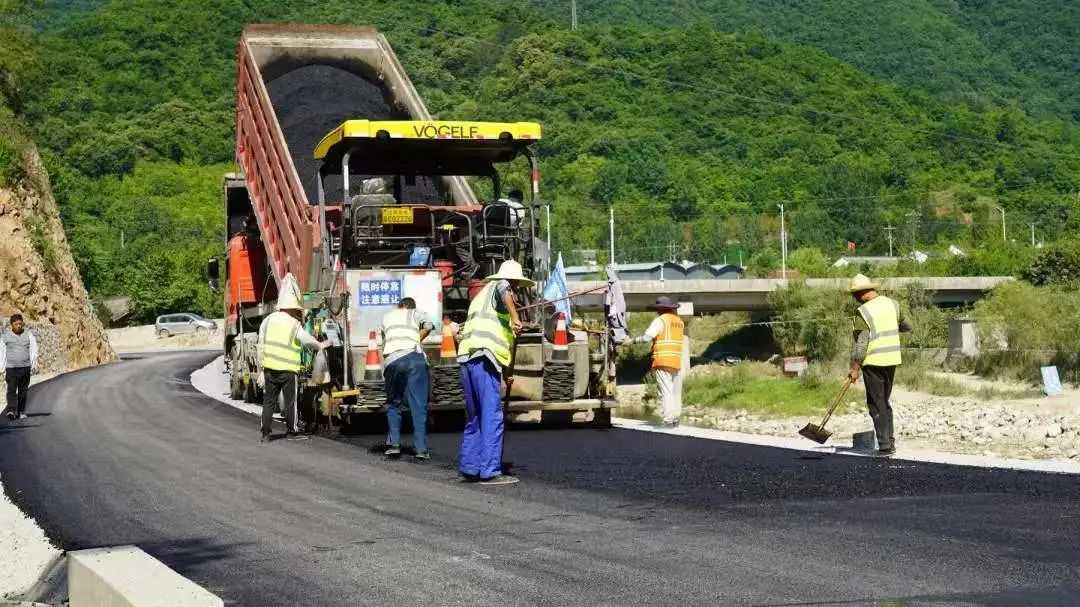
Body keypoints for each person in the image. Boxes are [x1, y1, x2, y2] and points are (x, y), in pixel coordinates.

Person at [456, 259, 532, 485]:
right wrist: (517, 318)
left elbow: (503, 340)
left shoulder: (480, 298)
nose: (517, 290)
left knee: (475, 417)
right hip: (483, 359)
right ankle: (490, 470)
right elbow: (503, 287)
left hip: (468, 359)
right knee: (492, 416)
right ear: (513, 281)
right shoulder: (500, 286)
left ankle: (470, 467)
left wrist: (507, 372)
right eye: (517, 285)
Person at [847, 274, 912, 457]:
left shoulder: (863, 311)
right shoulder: (893, 304)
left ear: (861, 293)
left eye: (854, 294)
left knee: (876, 404)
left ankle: (885, 447)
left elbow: (861, 344)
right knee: (884, 401)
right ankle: (889, 442)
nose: (854, 298)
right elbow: (907, 326)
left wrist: (854, 368)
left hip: (874, 361)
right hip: (892, 360)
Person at [258, 278, 328, 443]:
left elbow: (260, 345)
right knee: (291, 402)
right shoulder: (294, 324)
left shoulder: (267, 321)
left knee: (268, 401)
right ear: (293, 308)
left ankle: (265, 433)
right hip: (289, 370)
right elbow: (306, 340)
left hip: (269, 368)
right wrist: (320, 345)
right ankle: (291, 431)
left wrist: (261, 369)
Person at [380, 297, 434, 459]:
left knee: (393, 403)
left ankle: (394, 445)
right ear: (411, 307)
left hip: (393, 360)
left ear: (400, 306)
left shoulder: (387, 316)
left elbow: (383, 340)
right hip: (415, 358)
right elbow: (429, 325)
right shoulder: (414, 313)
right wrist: (417, 338)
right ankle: (421, 450)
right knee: (418, 406)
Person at [630, 297, 684, 427]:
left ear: (660, 309)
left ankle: (668, 420)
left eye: (657, 309)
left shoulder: (660, 320)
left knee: (666, 390)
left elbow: (647, 337)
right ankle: (676, 418)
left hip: (662, 359)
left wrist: (632, 341)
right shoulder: (679, 322)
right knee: (675, 392)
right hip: (676, 361)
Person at [1, 314, 38, 421]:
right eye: (16, 324)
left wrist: (34, 363)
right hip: (11, 368)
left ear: (22, 324)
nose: (18, 326)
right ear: (11, 325)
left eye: (20, 324)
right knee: (11, 390)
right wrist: (2, 368)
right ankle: (11, 411)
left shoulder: (28, 335)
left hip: (25, 367)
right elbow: (2, 351)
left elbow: (33, 349)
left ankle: (21, 411)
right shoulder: (6, 336)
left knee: (23, 391)